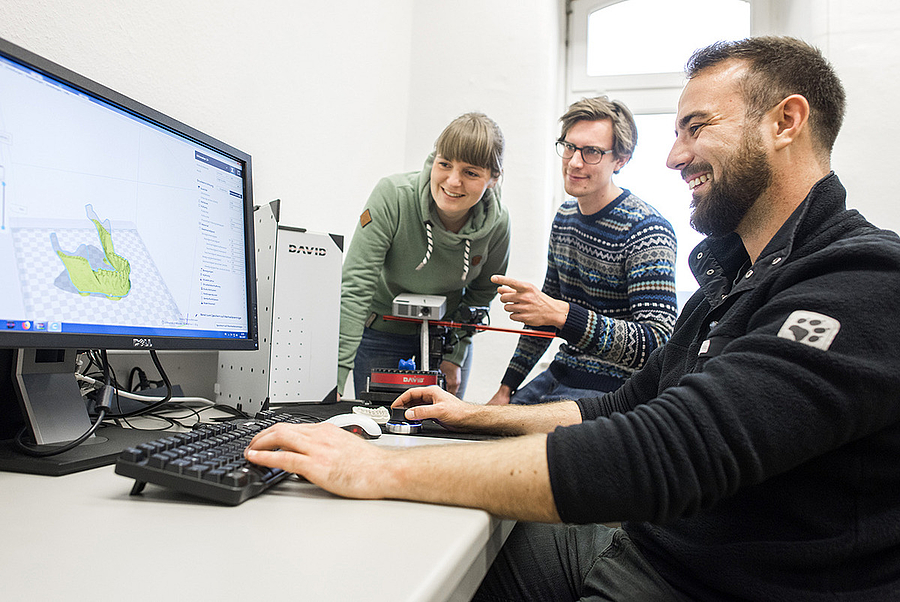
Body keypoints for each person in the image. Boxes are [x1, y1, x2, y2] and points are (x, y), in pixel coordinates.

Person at [246, 36, 900, 601]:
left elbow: (665, 445)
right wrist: (478, 412)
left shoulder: (862, 283)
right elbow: (626, 404)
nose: (674, 156)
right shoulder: (723, 288)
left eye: (695, 127)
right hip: (653, 544)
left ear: (786, 122)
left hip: (718, 582)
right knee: (433, 565)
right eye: (676, 131)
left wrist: (374, 468)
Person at [487, 97, 677, 406]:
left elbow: (657, 342)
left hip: (617, 391)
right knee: (485, 429)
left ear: (621, 160)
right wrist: (506, 388)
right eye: (570, 147)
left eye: (591, 152)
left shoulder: (647, 230)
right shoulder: (564, 218)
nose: (574, 162)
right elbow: (543, 318)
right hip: (561, 374)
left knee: (514, 444)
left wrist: (562, 314)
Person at [337, 112, 510, 399]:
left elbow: (482, 294)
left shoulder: (498, 224)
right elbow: (356, 288)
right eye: (445, 164)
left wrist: (455, 355)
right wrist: (336, 377)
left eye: (471, 173)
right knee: (377, 428)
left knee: (444, 434)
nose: (453, 181)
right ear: (434, 159)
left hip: (445, 338)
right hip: (380, 332)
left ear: (492, 178)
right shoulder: (392, 196)